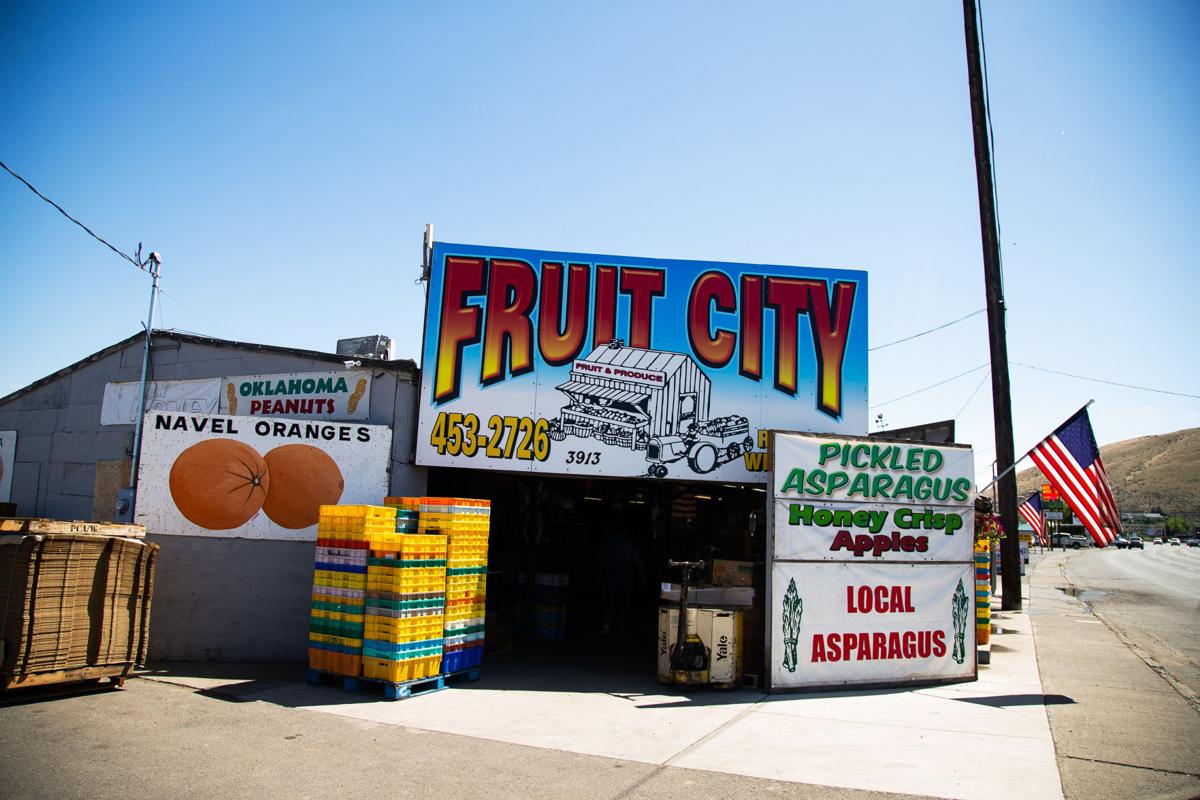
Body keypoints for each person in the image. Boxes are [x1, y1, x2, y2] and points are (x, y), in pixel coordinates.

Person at [596, 523, 642, 635]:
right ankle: (622, 627)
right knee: (623, 601)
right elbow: (637, 559)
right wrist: (642, 573)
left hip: (613, 576)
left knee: (611, 601)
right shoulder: (627, 543)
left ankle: (607, 626)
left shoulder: (611, 542)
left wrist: (598, 575)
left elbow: (602, 560)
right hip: (624, 577)